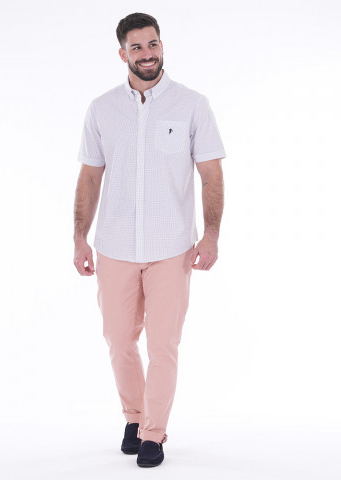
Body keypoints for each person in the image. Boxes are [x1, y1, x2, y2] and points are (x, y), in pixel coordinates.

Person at [73, 12, 226, 468]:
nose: (147, 53)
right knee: (119, 341)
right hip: (114, 246)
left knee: (162, 346)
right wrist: (79, 237)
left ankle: (153, 433)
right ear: (123, 54)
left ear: (162, 46)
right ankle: (134, 416)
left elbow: (211, 175)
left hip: (172, 249)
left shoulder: (192, 105)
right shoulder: (102, 109)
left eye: (153, 44)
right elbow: (89, 178)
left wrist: (211, 235)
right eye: (136, 47)